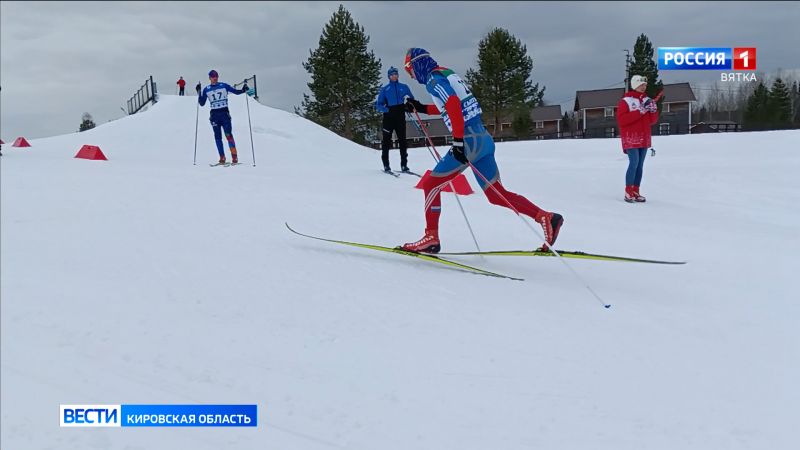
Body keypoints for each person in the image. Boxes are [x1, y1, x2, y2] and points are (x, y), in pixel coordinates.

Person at [400, 48, 563, 253]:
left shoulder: (433, 80)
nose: (412, 76)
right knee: (496, 195)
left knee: (431, 184)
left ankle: (431, 236)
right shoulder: (447, 73)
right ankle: (546, 218)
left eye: (409, 70)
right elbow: (452, 105)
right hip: (483, 139)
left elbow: (451, 104)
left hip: (469, 141)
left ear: (417, 64)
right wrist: (421, 108)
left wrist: (458, 141)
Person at [616, 74, 660, 203]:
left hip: (644, 136)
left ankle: (636, 190)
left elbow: (652, 121)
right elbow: (622, 120)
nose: (643, 87)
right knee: (634, 163)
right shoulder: (626, 101)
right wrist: (640, 111)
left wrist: (653, 111)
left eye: (645, 85)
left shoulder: (647, 100)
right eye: (641, 85)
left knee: (640, 165)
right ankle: (628, 191)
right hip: (631, 137)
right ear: (635, 85)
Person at [198, 70, 248, 165]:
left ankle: (234, 157)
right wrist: (199, 92)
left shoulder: (224, 85)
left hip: (224, 114)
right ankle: (222, 157)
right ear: (209, 78)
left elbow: (236, 92)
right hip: (214, 115)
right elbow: (202, 103)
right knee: (217, 137)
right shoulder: (206, 89)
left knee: (228, 135)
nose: (215, 78)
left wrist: (243, 90)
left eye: (216, 76)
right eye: (213, 76)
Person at [375, 66, 414, 173]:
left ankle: (404, 165)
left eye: (395, 74)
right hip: (389, 117)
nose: (394, 76)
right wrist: (386, 109)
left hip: (400, 115)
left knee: (402, 140)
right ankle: (386, 165)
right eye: (392, 74)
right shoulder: (385, 89)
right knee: (386, 141)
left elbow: (411, 100)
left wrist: (408, 105)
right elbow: (378, 105)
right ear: (389, 76)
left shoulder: (404, 87)